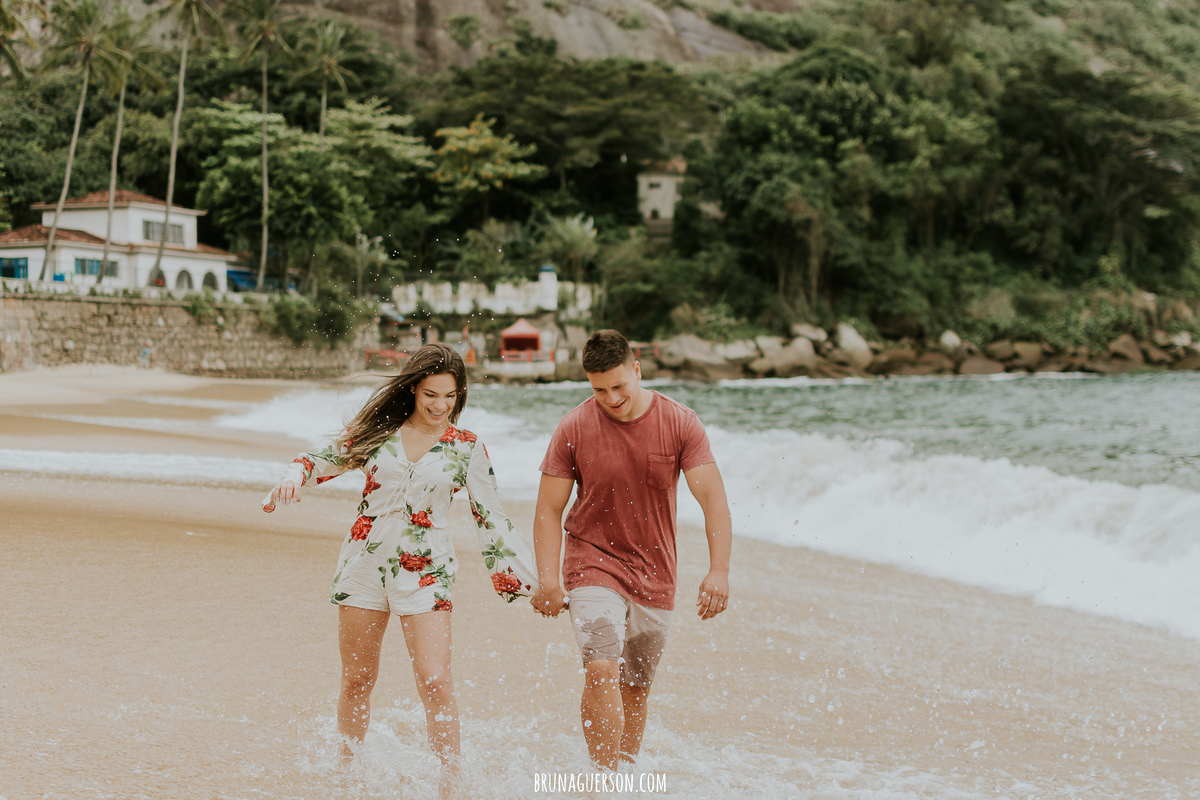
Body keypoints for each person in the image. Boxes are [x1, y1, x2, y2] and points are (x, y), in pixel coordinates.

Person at [263, 343, 537, 793]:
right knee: (357, 678)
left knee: (434, 678)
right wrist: (293, 478)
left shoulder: (466, 447)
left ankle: (449, 779)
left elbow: (493, 517)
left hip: (428, 570)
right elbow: (319, 460)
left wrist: (528, 580)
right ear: (413, 388)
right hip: (363, 564)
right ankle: (347, 771)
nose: (440, 405)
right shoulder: (379, 431)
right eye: (431, 394)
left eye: (450, 396)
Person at [530, 329, 733, 770]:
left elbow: (713, 499)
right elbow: (548, 509)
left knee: (635, 686)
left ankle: (623, 775)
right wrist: (548, 578)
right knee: (601, 669)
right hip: (591, 563)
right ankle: (601, 781)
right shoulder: (573, 427)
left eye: (619, 385)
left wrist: (719, 571)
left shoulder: (680, 422)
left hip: (655, 573)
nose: (611, 398)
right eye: (599, 389)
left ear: (636, 369)